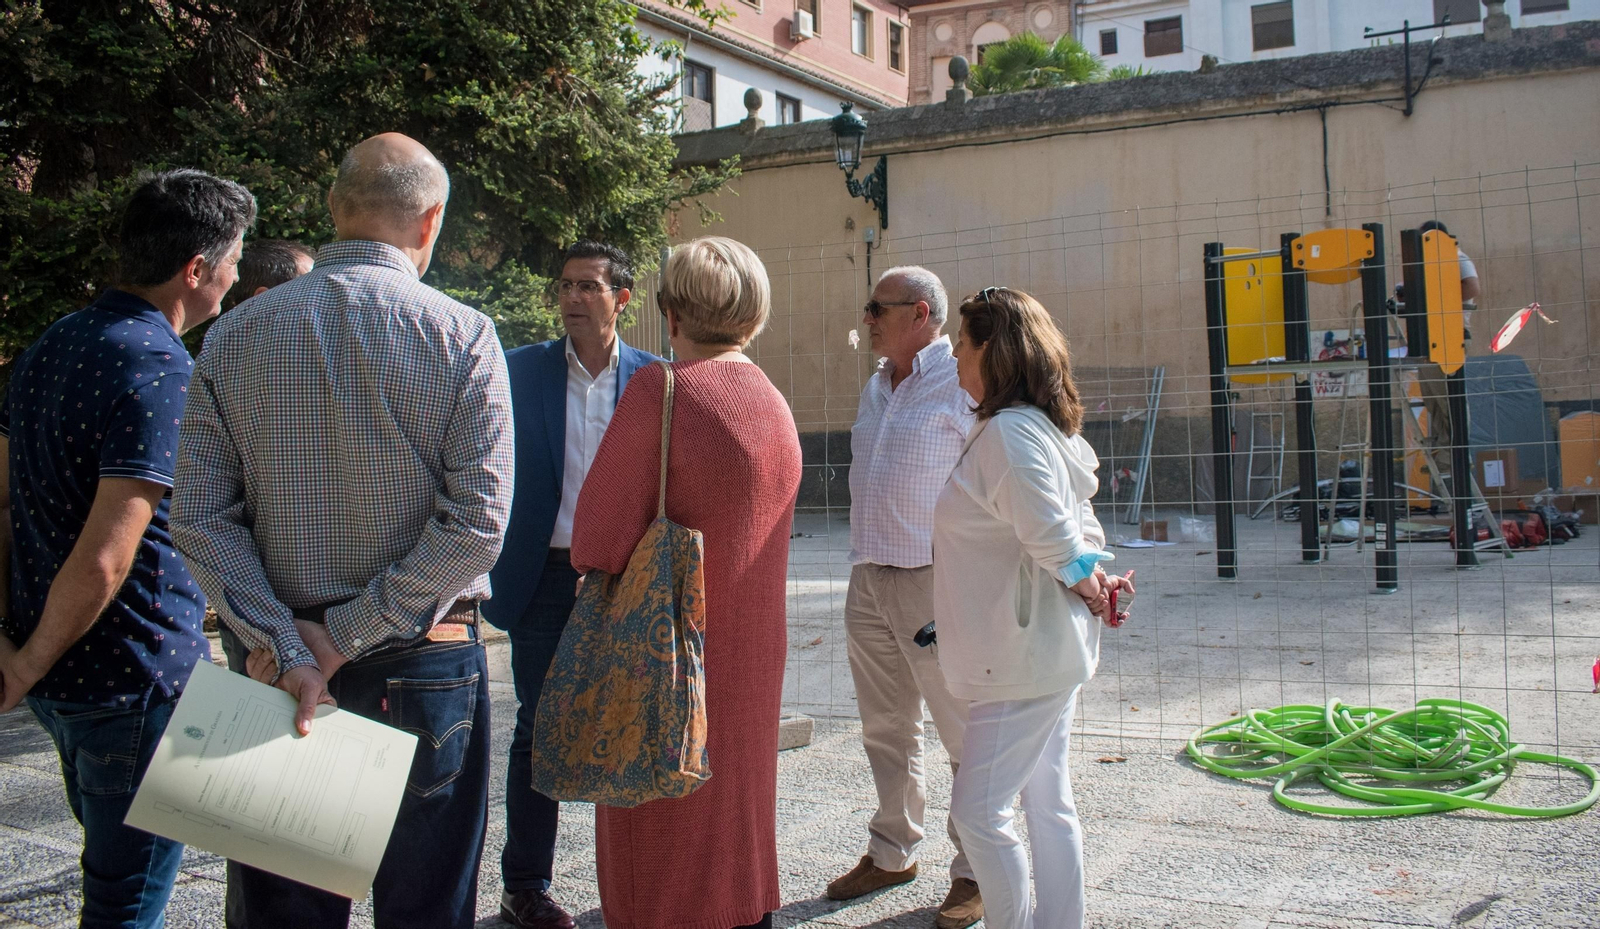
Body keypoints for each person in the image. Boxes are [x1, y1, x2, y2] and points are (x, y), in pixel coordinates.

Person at [171, 133, 514, 929]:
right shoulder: (463, 332)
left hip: (278, 671)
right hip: (422, 663)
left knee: (287, 915)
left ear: (334, 207)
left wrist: (292, 645)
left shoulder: (234, 333)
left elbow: (199, 516)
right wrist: (344, 634)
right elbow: (478, 523)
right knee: (426, 912)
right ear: (430, 221)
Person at [0, 168, 255, 929]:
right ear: (196, 269)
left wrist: (16, 650)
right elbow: (107, 557)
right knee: (125, 904)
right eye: (235, 260)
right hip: (132, 682)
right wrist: (22, 663)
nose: (237, 278)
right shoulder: (160, 369)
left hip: (65, 684)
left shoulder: (53, 342)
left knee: (112, 887)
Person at [569, 236, 800, 929]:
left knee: (660, 832)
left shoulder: (663, 390)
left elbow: (596, 538)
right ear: (755, 315)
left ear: (670, 313)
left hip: (664, 654)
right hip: (749, 651)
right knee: (736, 816)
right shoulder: (773, 401)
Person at [935, 286, 1130, 929]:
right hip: (1040, 651)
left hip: (1021, 658)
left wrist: (1092, 588)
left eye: (961, 343)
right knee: (1048, 802)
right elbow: (1077, 530)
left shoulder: (1011, 433)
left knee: (978, 812)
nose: (954, 356)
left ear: (991, 348)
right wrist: (1094, 584)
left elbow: (1055, 535)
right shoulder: (1034, 427)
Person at [484, 240, 659, 929]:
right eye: (565, 286)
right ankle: (525, 885)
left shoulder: (653, 379)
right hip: (543, 574)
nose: (573, 298)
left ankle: (633, 880)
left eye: (589, 286)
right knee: (539, 727)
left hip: (620, 575)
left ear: (621, 298)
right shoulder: (518, 370)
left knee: (630, 724)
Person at [827, 266, 981, 929]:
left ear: (920, 314)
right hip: (870, 576)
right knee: (885, 727)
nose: (866, 318)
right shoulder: (876, 385)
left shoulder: (962, 381)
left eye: (878, 307)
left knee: (963, 730)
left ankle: (977, 868)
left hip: (933, 581)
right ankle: (892, 852)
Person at [210, 238, 317, 673]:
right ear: (263, 297)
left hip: (253, 626)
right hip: (271, 630)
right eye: (309, 284)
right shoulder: (267, 378)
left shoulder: (218, 361)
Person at [1414, 219, 1481, 457]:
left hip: (1449, 336)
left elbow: (1472, 287)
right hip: (1429, 336)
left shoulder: (1456, 257)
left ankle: (1457, 454)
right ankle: (1444, 455)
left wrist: (1439, 303)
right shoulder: (1430, 263)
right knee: (1433, 401)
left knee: (1449, 400)